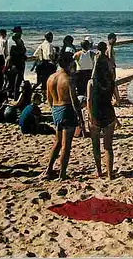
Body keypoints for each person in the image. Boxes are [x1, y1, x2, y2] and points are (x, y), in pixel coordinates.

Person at [43, 52, 82, 180]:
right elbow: (74, 101)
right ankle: (62, 173)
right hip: (67, 109)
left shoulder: (51, 78)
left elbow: (48, 99)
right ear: (68, 63)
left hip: (56, 108)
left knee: (58, 142)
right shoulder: (68, 79)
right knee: (66, 144)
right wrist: (80, 118)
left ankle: (49, 169)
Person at [87, 44, 117, 179]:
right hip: (108, 113)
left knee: (96, 146)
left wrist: (89, 114)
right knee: (108, 147)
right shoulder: (111, 81)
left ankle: (99, 172)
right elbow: (118, 100)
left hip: (95, 115)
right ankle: (110, 174)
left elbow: (88, 100)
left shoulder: (91, 83)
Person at [5, 32, 27, 100]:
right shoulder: (17, 47)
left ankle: (12, 95)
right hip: (17, 66)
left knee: (13, 82)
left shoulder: (14, 47)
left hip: (15, 66)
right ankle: (15, 96)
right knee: (16, 83)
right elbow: (20, 55)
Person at [107, 33, 121, 105]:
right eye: (114, 39)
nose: (115, 40)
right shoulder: (110, 47)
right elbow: (109, 58)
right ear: (109, 39)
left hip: (111, 67)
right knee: (112, 83)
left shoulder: (110, 47)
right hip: (111, 68)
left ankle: (116, 99)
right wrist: (112, 67)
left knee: (112, 83)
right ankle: (116, 99)